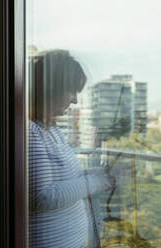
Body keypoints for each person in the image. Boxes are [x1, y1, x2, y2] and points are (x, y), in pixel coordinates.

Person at [28, 50, 115, 248]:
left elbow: (66, 179)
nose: (75, 100)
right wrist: (99, 181)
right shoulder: (31, 132)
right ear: (51, 89)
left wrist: (101, 173)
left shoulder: (51, 128)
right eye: (71, 90)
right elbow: (41, 197)